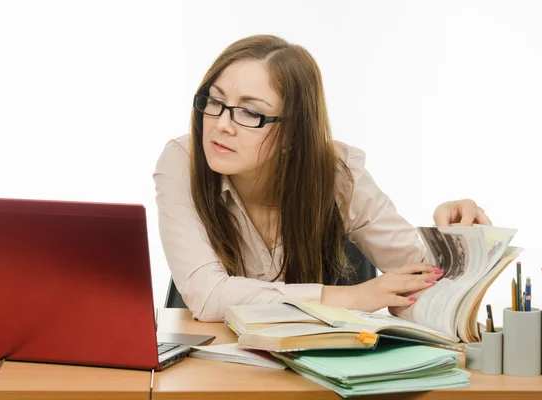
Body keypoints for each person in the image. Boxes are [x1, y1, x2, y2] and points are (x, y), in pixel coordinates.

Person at [153, 34, 492, 322]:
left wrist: (457, 243)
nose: (222, 123)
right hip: (211, 371)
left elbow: (422, 284)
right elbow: (209, 296)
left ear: (293, 134)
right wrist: (356, 298)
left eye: (249, 112)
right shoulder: (182, 160)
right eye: (215, 100)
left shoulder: (337, 173)